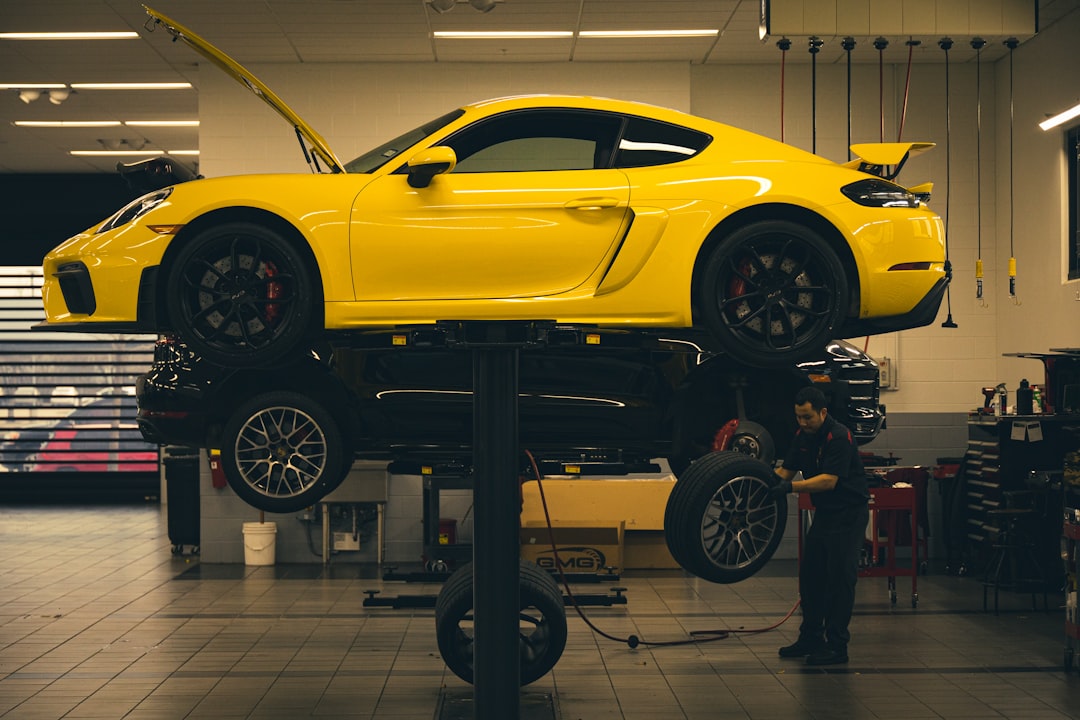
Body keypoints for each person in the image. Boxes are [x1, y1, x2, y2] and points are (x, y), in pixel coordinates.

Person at [772, 386, 869, 665]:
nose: (802, 423)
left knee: (840, 579)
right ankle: (810, 638)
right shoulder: (803, 436)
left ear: (822, 412)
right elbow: (785, 471)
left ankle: (837, 646)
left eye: (808, 418)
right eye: (798, 417)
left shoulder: (839, 437)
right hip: (826, 514)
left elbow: (829, 481)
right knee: (811, 576)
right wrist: (763, 483)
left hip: (849, 515)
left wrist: (789, 488)